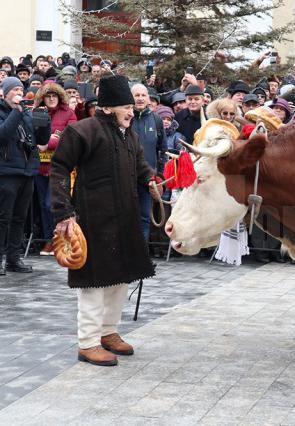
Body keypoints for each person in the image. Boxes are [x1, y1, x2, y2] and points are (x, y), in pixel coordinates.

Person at [50, 75, 162, 367]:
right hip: (92, 218)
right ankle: (88, 343)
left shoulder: (130, 135)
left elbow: (141, 168)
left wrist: (152, 180)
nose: (132, 111)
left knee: (120, 279)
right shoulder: (82, 131)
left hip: (124, 218)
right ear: (110, 107)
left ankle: (108, 332)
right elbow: (59, 168)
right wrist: (63, 212)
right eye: (127, 106)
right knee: (95, 284)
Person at [0, 77, 50, 274]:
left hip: (28, 171)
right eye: (14, 90)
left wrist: (44, 122)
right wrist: (16, 111)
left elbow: (41, 140)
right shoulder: (9, 112)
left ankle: (14, 259)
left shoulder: (26, 113)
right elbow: (3, 134)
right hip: (6, 172)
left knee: (20, 218)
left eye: (21, 89)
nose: (19, 92)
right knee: (3, 217)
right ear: (4, 93)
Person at [33, 82, 77, 255]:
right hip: (39, 166)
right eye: (48, 96)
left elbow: (71, 137)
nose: (51, 99)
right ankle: (47, 239)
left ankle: (56, 240)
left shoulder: (69, 113)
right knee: (42, 206)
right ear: (42, 98)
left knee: (51, 203)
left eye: (54, 95)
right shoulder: (36, 112)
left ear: (59, 97)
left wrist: (49, 142)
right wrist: (49, 139)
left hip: (59, 167)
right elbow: (31, 137)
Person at [131, 84, 167, 241]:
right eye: (136, 95)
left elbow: (163, 149)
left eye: (143, 95)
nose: (140, 98)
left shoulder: (156, 119)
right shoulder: (125, 118)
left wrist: (160, 176)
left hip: (148, 179)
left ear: (148, 98)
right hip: (126, 176)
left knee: (145, 218)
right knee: (126, 219)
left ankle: (142, 258)